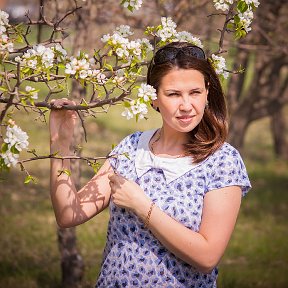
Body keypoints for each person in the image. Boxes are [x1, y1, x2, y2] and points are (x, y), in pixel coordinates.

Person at [49, 41, 251, 287]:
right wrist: (60, 146)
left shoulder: (222, 161)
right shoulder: (132, 148)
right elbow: (69, 213)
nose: (187, 105)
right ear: (154, 99)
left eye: (195, 92)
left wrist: (142, 205)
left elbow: (207, 256)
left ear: (207, 91)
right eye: (174, 94)